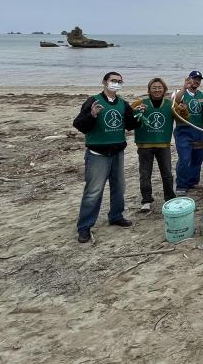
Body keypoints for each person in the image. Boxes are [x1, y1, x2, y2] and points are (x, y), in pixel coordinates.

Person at [73, 71, 142, 243]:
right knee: (93, 191)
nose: (116, 84)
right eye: (113, 80)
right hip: (98, 154)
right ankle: (84, 226)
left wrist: (138, 114)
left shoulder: (123, 103)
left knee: (119, 187)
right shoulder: (94, 101)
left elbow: (130, 125)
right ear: (104, 82)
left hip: (117, 152)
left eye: (119, 81)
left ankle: (116, 216)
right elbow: (79, 125)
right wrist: (92, 115)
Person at [134, 77, 175, 212]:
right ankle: (146, 201)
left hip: (163, 144)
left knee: (167, 173)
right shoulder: (140, 103)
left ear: (164, 89)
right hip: (144, 144)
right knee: (145, 174)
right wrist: (137, 111)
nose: (157, 90)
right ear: (149, 90)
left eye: (159, 87)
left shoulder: (170, 104)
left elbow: (183, 118)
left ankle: (169, 198)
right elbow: (129, 117)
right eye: (154, 88)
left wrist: (183, 109)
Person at [173, 70, 203, 196]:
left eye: (198, 79)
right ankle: (181, 184)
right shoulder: (180, 93)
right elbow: (174, 103)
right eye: (194, 78)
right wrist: (184, 88)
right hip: (183, 131)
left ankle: (193, 181)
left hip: (199, 130)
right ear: (189, 79)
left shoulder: (202, 96)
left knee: (197, 158)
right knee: (185, 158)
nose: (196, 81)